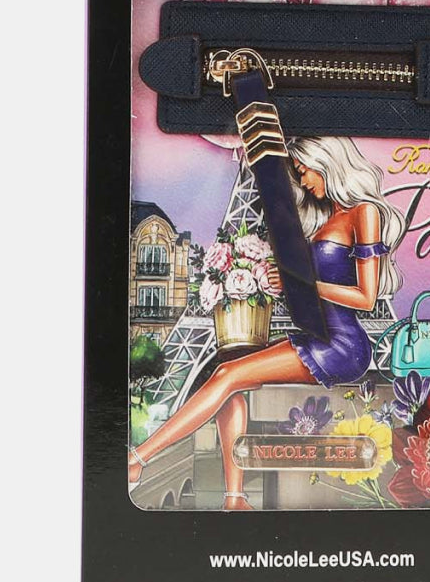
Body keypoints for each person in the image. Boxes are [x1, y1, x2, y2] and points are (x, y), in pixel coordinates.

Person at [129, 137, 405, 509]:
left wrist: (300, 282)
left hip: (342, 346)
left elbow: (366, 298)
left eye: (304, 171)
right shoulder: (328, 215)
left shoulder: (364, 212)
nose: (303, 181)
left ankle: (138, 458)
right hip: (317, 335)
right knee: (230, 376)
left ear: (326, 162)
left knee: (227, 375)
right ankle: (235, 498)